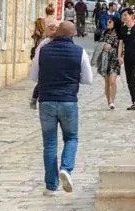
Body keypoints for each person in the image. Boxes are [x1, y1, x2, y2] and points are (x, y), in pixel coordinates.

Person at [31, 21, 94, 194]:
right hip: (68, 101)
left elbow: (34, 75)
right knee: (71, 137)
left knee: (50, 144)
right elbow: (88, 79)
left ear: (57, 33)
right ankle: (66, 168)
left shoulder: (43, 50)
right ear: (72, 35)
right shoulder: (79, 52)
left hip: (47, 101)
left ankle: (51, 186)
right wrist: (72, 78)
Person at [94, 14, 124, 109]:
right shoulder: (104, 33)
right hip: (105, 58)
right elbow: (99, 44)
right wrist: (104, 45)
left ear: (115, 23)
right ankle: (109, 101)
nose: (108, 23)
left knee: (113, 81)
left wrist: (121, 57)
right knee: (107, 81)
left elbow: (122, 47)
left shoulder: (120, 34)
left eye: (110, 21)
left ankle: (112, 101)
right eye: (108, 21)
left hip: (114, 59)